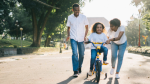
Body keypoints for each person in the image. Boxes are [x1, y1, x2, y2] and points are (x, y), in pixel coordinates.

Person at [66, 3, 89, 77]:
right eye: (75, 10)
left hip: (81, 38)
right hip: (73, 38)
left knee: (81, 54)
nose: (77, 11)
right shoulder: (70, 17)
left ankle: (79, 66)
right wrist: (68, 35)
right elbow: (68, 28)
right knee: (75, 54)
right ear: (73, 10)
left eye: (78, 10)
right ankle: (75, 71)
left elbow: (87, 27)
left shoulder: (83, 17)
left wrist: (85, 36)